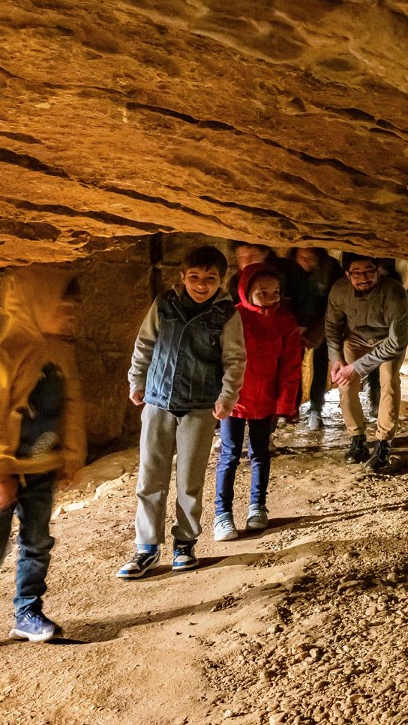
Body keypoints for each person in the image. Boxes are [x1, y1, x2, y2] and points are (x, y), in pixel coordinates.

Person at [0, 267, 85, 655]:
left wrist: (71, 454)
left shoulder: (60, 351)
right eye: (63, 306)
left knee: (37, 543)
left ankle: (27, 612)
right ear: (36, 304)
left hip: (40, 470)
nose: (70, 314)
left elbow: (71, 406)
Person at [119, 245, 246, 579]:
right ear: (182, 277)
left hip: (199, 406)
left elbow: (234, 359)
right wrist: (137, 380)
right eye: (194, 277)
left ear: (221, 280)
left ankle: (185, 543)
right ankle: (146, 547)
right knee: (150, 477)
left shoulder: (226, 315)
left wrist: (227, 397)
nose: (201, 284)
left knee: (189, 479)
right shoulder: (164, 305)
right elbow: (144, 344)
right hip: (158, 401)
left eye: (210, 278)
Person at [213, 262, 302, 541]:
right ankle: (222, 514)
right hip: (235, 402)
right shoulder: (234, 318)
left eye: (275, 292)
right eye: (262, 292)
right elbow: (220, 359)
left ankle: (257, 506)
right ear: (245, 291)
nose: (270, 298)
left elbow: (291, 365)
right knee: (229, 455)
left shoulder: (284, 321)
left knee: (260, 453)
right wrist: (218, 396)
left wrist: (286, 403)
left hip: (265, 401)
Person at [325, 253, 408, 472]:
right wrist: (336, 359)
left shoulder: (394, 293)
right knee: (345, 384)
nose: (364, 277)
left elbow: (396, 343)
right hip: (357, 339)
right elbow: (332, 326)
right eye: (357, 273)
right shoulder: (340, 290)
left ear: (378, 270)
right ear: (348, 274)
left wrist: (356, 367)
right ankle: (357, 438)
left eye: (369, 271)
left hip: (387, 343)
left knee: (389, 382)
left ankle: (383, 442)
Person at [287, 247, 342, 430]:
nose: (307, 262)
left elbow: (335, 299)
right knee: (292, 365)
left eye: (312, 258)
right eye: (303, 257)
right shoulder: (288, 268)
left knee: (320, 365)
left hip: (323, 323)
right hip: (294, 324)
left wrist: (321, 327)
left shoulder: (330, 269)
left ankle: (315, 409)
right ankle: (291, 407)